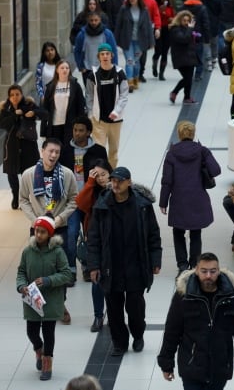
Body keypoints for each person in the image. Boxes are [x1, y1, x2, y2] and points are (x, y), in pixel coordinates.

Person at [87, 166, 162, 356]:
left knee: (135, 307)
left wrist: (155, 259)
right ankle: (119, 342)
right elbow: (94, 238)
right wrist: (94, 265)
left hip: (136, 264)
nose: (116, 184)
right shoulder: (102, 206)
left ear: (129, 182)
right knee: (113, 308)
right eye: (113, 180)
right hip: (111, 266)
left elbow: (153, 234)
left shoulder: (142, 206)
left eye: (120, 180)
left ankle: (138, 335)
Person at [158, 252, 234, 389]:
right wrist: (166, 364)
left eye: (213, 271)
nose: (208, 275)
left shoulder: (232, 296)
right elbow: (172, 332)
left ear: (219, 271)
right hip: (192, 367)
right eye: (204, 271)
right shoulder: (184, 296)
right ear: (197, 271)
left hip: (220, 366)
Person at [17, 216, 73, 381]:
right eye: (36, 231)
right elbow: (21, 272)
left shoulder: (57, 252)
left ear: (49, 234)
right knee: (31, 332)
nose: (39, 235)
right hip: (32, 299)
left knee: (49, 333)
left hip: (51, 300)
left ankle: (47, 362)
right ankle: (38, 349)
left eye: (42, 232)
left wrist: (48, 280)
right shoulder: (28, 251)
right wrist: (21, 286)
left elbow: (66, 274)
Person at [160, 120, 221, 271]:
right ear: (193, 134)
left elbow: (167, 181)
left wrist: (163, 202)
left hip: (179, 200)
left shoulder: (172, 153)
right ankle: (194, 264)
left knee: (178, 232)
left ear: (179, 134)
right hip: (197, 199)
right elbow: (216, 171)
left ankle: (182, 265)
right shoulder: (202, 151)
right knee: (196, 232)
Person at [58, 116, 108, 284]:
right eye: (75, 130)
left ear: (88, 132)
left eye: (81, 130)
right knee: (71, 235)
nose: (77, 133)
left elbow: (105, 174)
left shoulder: (99, 150)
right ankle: (70, 270)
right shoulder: (64, 151)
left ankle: (88, 267)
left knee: (90, 236)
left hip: (91, 201)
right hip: (72, 202)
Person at [74, 159, 112, 331]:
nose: (101, 179)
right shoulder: (93, 191)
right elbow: (80, 203)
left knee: (114, 282)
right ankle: (98, 315)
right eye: (97, 176)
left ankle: (113, 314)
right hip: (95, 242)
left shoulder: (118, 189)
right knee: (96, 280)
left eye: (104, 174)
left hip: (114, 243)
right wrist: (90, 182)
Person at [0, 85, 46, 209]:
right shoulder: (6, 109)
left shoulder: (29, 105)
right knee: (12, 172)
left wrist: (34, 112)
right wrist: (14, 115)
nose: (15, 97)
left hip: (28, 145)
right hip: (12, 145)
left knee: (28, 173)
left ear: (21, 94)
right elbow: (1, 123)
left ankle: (27, 197)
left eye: (17, 94)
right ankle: (15, 195)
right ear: (9, 97)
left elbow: (44, 113)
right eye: (12, 95)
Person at [85, 43, 129, 168]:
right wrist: (90, 114)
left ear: (112, 56)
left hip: (115, 120)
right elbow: (88, 96)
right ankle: (101, 176)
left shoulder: (120, 73)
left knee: (113, 152)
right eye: (102, 54)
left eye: (107, 54)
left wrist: (117, 111)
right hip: (98, 120)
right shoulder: (92, 75)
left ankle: (112, 175)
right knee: (99, 151)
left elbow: (124, 95)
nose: (105, 56)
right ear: (98, 56)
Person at [114, 0, 155, 91]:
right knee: (130, 61)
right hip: (127, 41)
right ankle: (129, 82)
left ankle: (136, 77)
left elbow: (149, 26)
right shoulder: (124, 9)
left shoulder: (144, 10)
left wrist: (151, 42)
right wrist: (115, 40)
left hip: (140, 42)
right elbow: (118, 25)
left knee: (136, 62)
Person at [42, 59, 87, 146]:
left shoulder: (75, 86)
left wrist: (81, 125)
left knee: (68, 150)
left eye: (67, 68)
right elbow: (45, 109)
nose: (65, 70)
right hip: (54, 124)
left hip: (70, 125)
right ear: (57, 70)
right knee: (55, 149)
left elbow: (81, 106)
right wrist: (43, 131)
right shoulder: (51, 86)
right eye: (62, 68)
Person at [168, 10, 199, 104]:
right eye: (184, 20)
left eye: (188, 20)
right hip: (180, 57)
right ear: (179, 20)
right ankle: (174, 92)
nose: (186, 23)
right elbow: (183, 39)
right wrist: (190, 30)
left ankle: (187, 97)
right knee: (187, 78)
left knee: (189, 78)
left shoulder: (189, 29)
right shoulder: (175, 29)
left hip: (190, 56)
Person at [155, 0, 175, 80]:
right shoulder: (156, 6)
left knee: (165, 52)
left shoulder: (170, 7)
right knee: (158, 50)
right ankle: (154, 64)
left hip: (167, 30)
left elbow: (173, 17)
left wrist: (171, 19)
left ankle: (161, 73)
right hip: (158, 29)